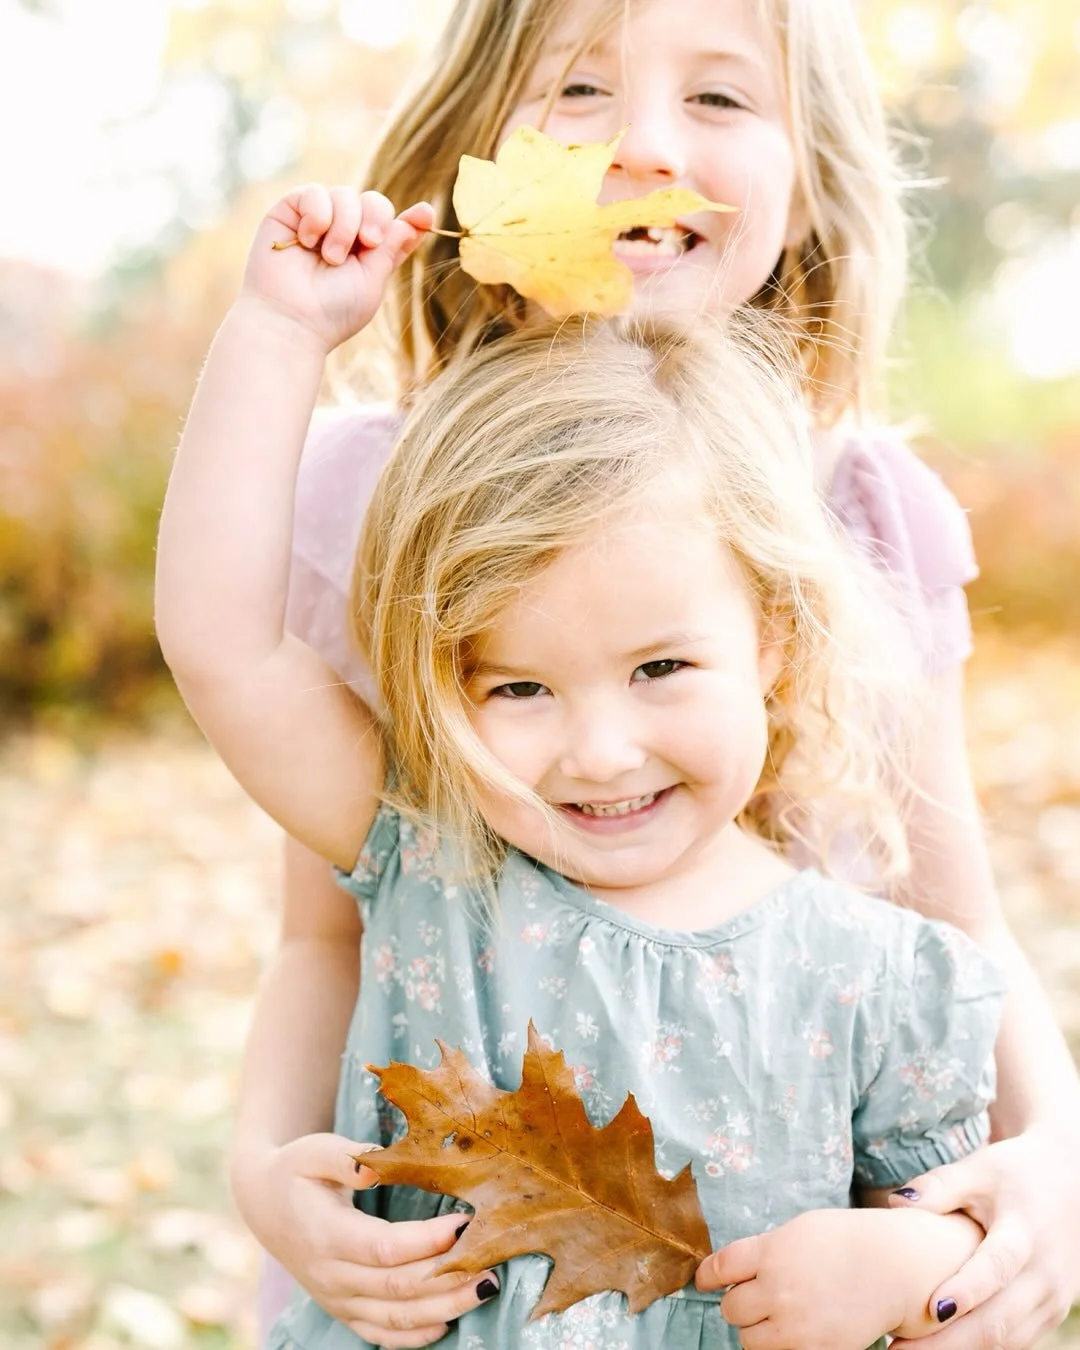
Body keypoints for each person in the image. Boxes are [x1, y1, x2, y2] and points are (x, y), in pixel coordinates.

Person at [236, 0, 1080, 1344]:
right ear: (479, 142)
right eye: (576, 90)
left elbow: (957, 920)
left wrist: (1059, 1160)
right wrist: (266, 1176)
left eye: (721, 99)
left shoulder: (867, 512)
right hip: (451, 1288)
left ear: (810, 183)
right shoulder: (369, 493)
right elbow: (321, 930)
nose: (640, 143)